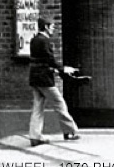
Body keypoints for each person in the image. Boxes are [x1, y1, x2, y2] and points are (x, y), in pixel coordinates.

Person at [28, 17, 80, 147]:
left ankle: (35, 136)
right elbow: (50, 60)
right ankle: (70, 131)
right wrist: (63, 69)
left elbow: (40, 61)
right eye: (51, 27)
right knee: (59, 104)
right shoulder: (45, 41)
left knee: (37, 108)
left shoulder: (34, 40)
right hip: (45, 80)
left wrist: (54, 69)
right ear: (45, 27)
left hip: (35, 79)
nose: (53, 29)